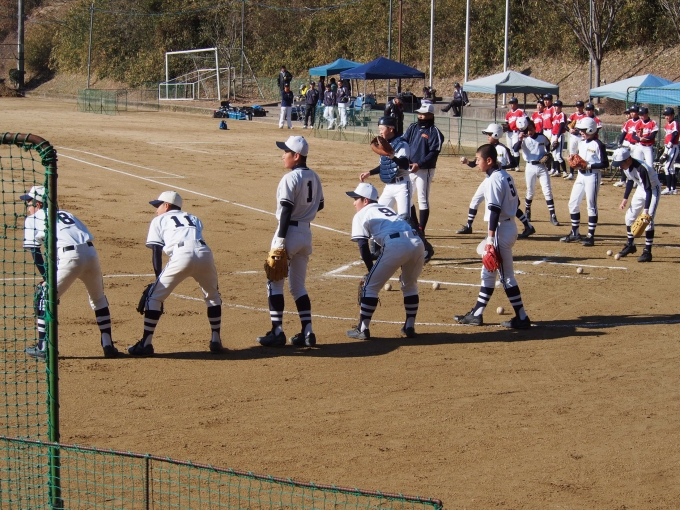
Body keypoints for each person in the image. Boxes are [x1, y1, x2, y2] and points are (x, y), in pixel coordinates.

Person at [21, 185, 118, 360]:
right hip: (91, 254)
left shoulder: (33, 218)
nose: (27, 207)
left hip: (70, 258)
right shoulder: (67, 214)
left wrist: (47, 278)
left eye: (29, 202)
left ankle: (43, 347)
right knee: (98, 299)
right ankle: (108, 345)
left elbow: (35, 251)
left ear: (38, 204)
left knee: (44, 296)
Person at [128, 191, 222, 356]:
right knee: (213, 296)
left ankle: (145, 344)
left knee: (153, 297)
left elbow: (156, 250)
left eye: (158, 206)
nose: (156, 210)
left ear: (166, 205)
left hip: (182, 255)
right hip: (204, 253)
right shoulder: (193, 217)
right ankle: (216, 340)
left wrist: (157, 280)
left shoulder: (159, 220)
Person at [454, 144, 532, 329]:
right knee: (488, 273)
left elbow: (494, 210)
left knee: (506, 277)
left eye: (478, 159)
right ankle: (477, 314)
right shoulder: (505, 175)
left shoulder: (493, 180)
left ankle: (522, 317)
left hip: (499, 231)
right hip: (508, 227)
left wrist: (490, 240)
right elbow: (517, 203)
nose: (476, 162)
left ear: (489, 161)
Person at [257, 136, 324, 347]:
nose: (282, 155)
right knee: (298, 286)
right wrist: (305, 211)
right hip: (306, 234)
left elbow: (286, 210)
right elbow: (320, 205)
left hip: (289, 233)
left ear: (296, 156)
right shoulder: (314, 176)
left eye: (286, 152)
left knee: (274, 282)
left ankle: (277, 332)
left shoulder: (290, 178)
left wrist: (280, 240)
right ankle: (308, 332)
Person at [345, 183, 425, 340]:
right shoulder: (387, 209)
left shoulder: (361, 215)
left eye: (356, 199)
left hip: (396, 245)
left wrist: (370, 271)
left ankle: (363, 329)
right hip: (417, 243)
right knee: (410, 285)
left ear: (365, 200)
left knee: (370, 287)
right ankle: (409, 326)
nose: (354, 203)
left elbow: (363, 245)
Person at [457, 123, 535, 238]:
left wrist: (501, 167)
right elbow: (475, 164)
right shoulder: (486, 149)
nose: (488, 136)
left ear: (496, 134)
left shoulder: (503, 148)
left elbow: (514, 163)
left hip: (499, 178)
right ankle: (469, 225)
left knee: (509, 204)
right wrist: (467, 162)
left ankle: (527, 226)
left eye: (489, 134)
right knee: (475, 200)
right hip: (489, 179)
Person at [560, 117, 609, 247]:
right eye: (580, 130)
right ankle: (575, 233)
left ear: (591, 129)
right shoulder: (582, 143)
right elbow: (580, 160)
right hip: (581, 176)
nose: (581, 132)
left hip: (592, 176)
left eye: (583, 130)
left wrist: (589, 165)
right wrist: (573, 160)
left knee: (591, 205)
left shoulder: (598, 144)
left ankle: (590, 236)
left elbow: (605, 163)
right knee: (572, 203)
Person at [611, 147, 661, 262]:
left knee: (647, 220)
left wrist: (646, 210)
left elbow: (648, 189)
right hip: (640, 189)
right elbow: (630, 180)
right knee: (629, 217)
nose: (620, 166)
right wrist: (625, 198)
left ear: (628, 159)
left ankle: (647, 252)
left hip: (653, 190)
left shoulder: (641, 169)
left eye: (621, 163)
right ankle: (630, 245)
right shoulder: (625, 167)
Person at [403, 103, 445, 235]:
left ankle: (421, 229)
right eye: (419, 113)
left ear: (431, 115)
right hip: (410, 168)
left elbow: (434, 152)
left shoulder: (434, 132)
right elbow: (404, 141)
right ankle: (415, 224)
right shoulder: (413, 127)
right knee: (406, 196)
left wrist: (419, 164)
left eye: (424, 114)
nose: (420, 116)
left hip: (424, 170)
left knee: (422, 198)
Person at [359, 116, 411, 218]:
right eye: (379, 130)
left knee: (404, 217)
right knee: (378, 215)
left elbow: (405, 165)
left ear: (391, 129)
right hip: (389, 186)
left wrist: (392, 156)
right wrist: (370, 172)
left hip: (402, 185)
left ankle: (414, 228)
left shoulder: (402, 144)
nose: (380, 132)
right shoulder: (384, 145)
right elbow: (385, 165)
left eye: (382, 129)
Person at [513, 117, 560, 226]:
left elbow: (548, 146)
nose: (529, 132)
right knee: (530, 191)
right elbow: (515, 149)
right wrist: (520, 139)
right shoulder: (524, 139)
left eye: (531, 130)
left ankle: (553, 215)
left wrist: (549, 152)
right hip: (530, 167)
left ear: (535, 128)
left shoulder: (541, 137)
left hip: (542, 167)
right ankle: (527, 210)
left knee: (547, 190)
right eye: (527, 130)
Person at [616, 105, 640, 187]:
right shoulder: (628, 122)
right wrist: (620, 142)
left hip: (636, 145)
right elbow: (624, 133)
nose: (632, 114)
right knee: (624, 161)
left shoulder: (640, 122)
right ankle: (627, 179)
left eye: (634, 112)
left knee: (635, 162)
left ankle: (636, 180)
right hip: (627, 143)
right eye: (631, 112)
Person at [565, 100, 587, 180]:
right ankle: (571, 173)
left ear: (583, 107)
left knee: (582, 154)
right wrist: (570, 130)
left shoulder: (585, 116)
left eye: (580, 106)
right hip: (573, 136)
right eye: (577, 106)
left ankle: (581, 172)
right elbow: (566, 125)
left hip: (581, 137)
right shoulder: (573, 115)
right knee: (572, 154)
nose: (578, 108)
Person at [660, 106, 679, 195]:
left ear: (673, 115)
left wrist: (670, 142)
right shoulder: (667, 124)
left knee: (667, 167)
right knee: (671, 168)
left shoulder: (675, 123)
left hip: (673, 147)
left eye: (668, 115)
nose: (667, 117)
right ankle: (673, 188)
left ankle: (668, 188)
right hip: (667, 147)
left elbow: (675, 133)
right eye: (665, 115)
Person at [504, 97, 524, 171]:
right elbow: (506, 122)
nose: (511, 105)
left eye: (513, 103)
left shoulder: (520, 111)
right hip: (509, 133)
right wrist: (505, 127)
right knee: (510, 149)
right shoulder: (508, 113)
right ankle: (512, 165)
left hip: (516, 132)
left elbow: (526, 120)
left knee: (515, 149)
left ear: (516, 104)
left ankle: (517, 166)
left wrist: (523, 131)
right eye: (510, 103)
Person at [549, 100, 567, 178]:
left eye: (558, 106)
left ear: (560, 107)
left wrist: (557, 137)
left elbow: (561, 126)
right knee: (554, 155)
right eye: (555, 106)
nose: (556, 108)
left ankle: (565, 172)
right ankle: (558, 171)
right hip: (553, 135)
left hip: (559, 136)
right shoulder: (554, 115)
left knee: (558, 155)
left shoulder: (562, 115)